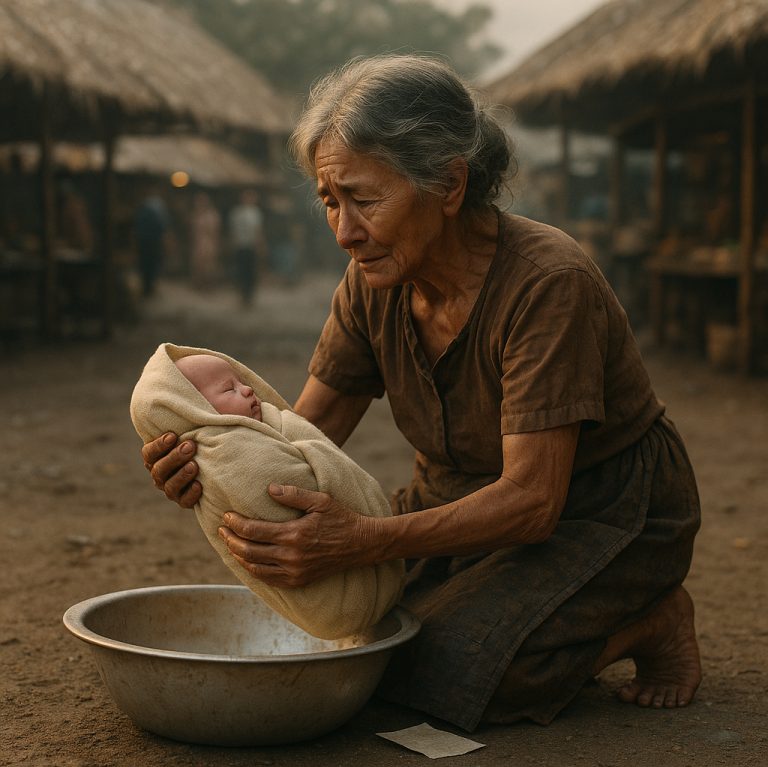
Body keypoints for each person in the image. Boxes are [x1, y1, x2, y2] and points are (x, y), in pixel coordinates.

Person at [141, 55, 702, 732]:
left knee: (444, 668)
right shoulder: (371, 281)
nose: (344, 231)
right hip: (456, 500)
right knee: (352, 638)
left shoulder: (548, 284)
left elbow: (531, 501)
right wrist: (213, 462)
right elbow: (299, 433)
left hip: (603, 511)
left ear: (448, 183)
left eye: (364, 198)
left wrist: (363, 541)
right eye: (329, 201)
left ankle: (649, 618)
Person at [130, 342, 403, 640]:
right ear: (193, 412)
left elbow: (296, 444)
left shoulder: (256, 429)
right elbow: (269, 477)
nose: (248, 391)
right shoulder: (226, 451)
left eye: (244, 383)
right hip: (350, 593)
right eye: (228, 389)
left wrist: (370, 536)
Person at [228, 189, 266, 305]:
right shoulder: (236, 213)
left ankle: (249, 297)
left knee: (251, 272)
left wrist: (260, 246)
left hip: (251, 246)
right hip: (240, 246)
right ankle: (242, 296)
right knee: (241, 271)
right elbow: (233, 231)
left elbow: (258, 231)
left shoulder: (256, 213)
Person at [134, 187, 170, 297]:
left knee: (147, 264)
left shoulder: (145, 206)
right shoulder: (157, 206)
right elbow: (163, 225)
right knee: (151, 264)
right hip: (151, 241)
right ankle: (148, 287)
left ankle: (147, 287)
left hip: (146, 241)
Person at [189, 192, 221, 290]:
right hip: (198, 242)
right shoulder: (196, 214)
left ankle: (208, 285)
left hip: (208, 242)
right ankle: (199, 285)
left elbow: (214, 231)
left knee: (209, 266)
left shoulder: (211, 215)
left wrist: (214, 243)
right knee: (198, 265)